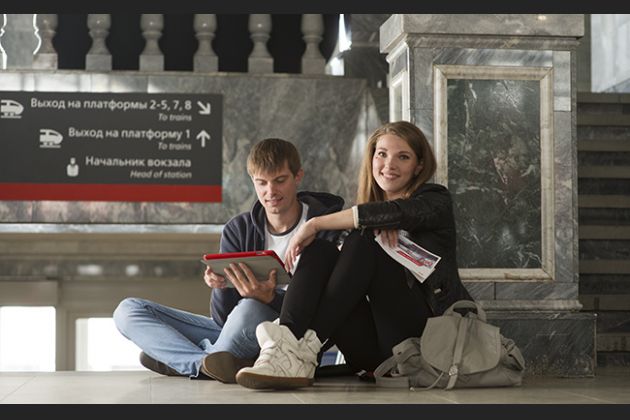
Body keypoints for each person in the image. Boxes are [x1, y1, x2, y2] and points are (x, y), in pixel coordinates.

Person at [234, 121, 473, 389]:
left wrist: (314, 224)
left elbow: (399, 212)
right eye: (381, 154)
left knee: (362, 239)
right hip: (374, 355)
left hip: (424, 344)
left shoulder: (435, 200)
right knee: (320, 251)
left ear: (419, 166)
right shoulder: (369, 216)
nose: (389, 164)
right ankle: (287, 346)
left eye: (403, 157)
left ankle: (300, 350)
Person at [113, 138, 344, 383]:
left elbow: (326, 309)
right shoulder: (239, 229)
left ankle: (183, 360)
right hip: (234, 329)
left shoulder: (324, 226)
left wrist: (269, 299)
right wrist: (221, 287)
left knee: (250, 307)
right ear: (252, 181)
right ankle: (201, 363)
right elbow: (222, 319)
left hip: (286, 336)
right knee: (128, 310)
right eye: (261, 183)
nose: (270, 192)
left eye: (279, 180)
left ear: (298, 177)